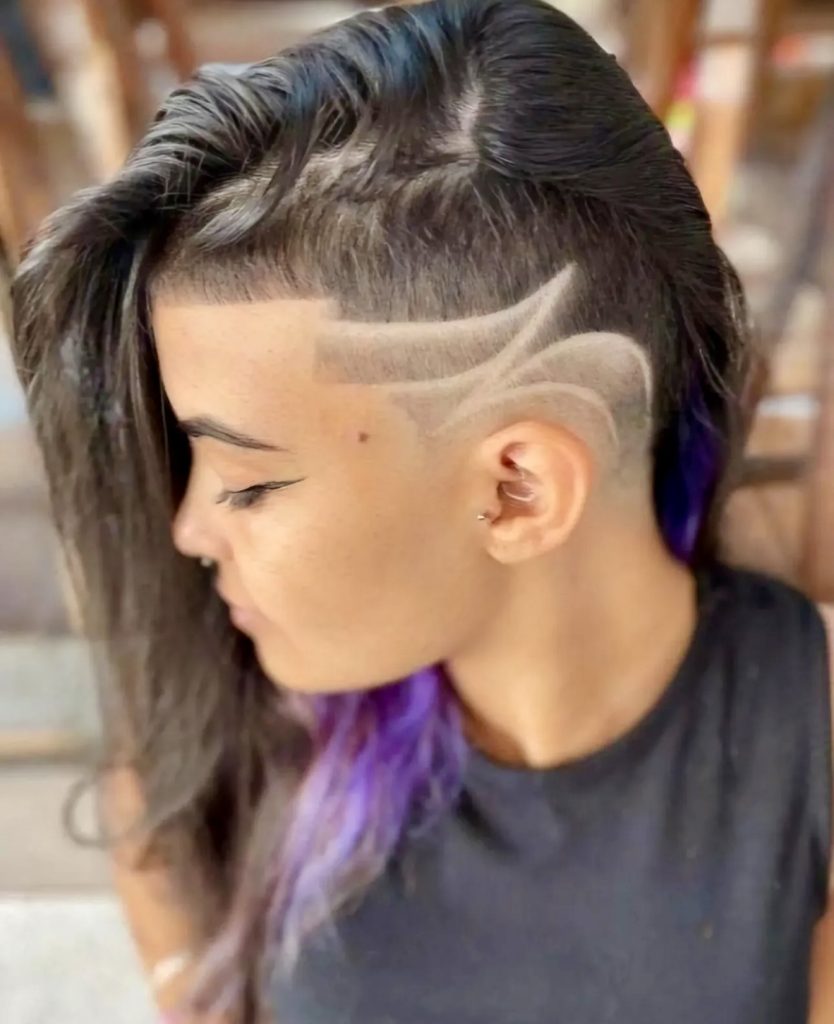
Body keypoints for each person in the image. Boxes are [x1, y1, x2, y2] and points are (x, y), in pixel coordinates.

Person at [10, 1, 834, 1021]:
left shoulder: (806, 741)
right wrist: (193, 989)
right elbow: (155, 806)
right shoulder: (261, 696)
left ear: (518, 488)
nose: (188, 531)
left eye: (249, 484)